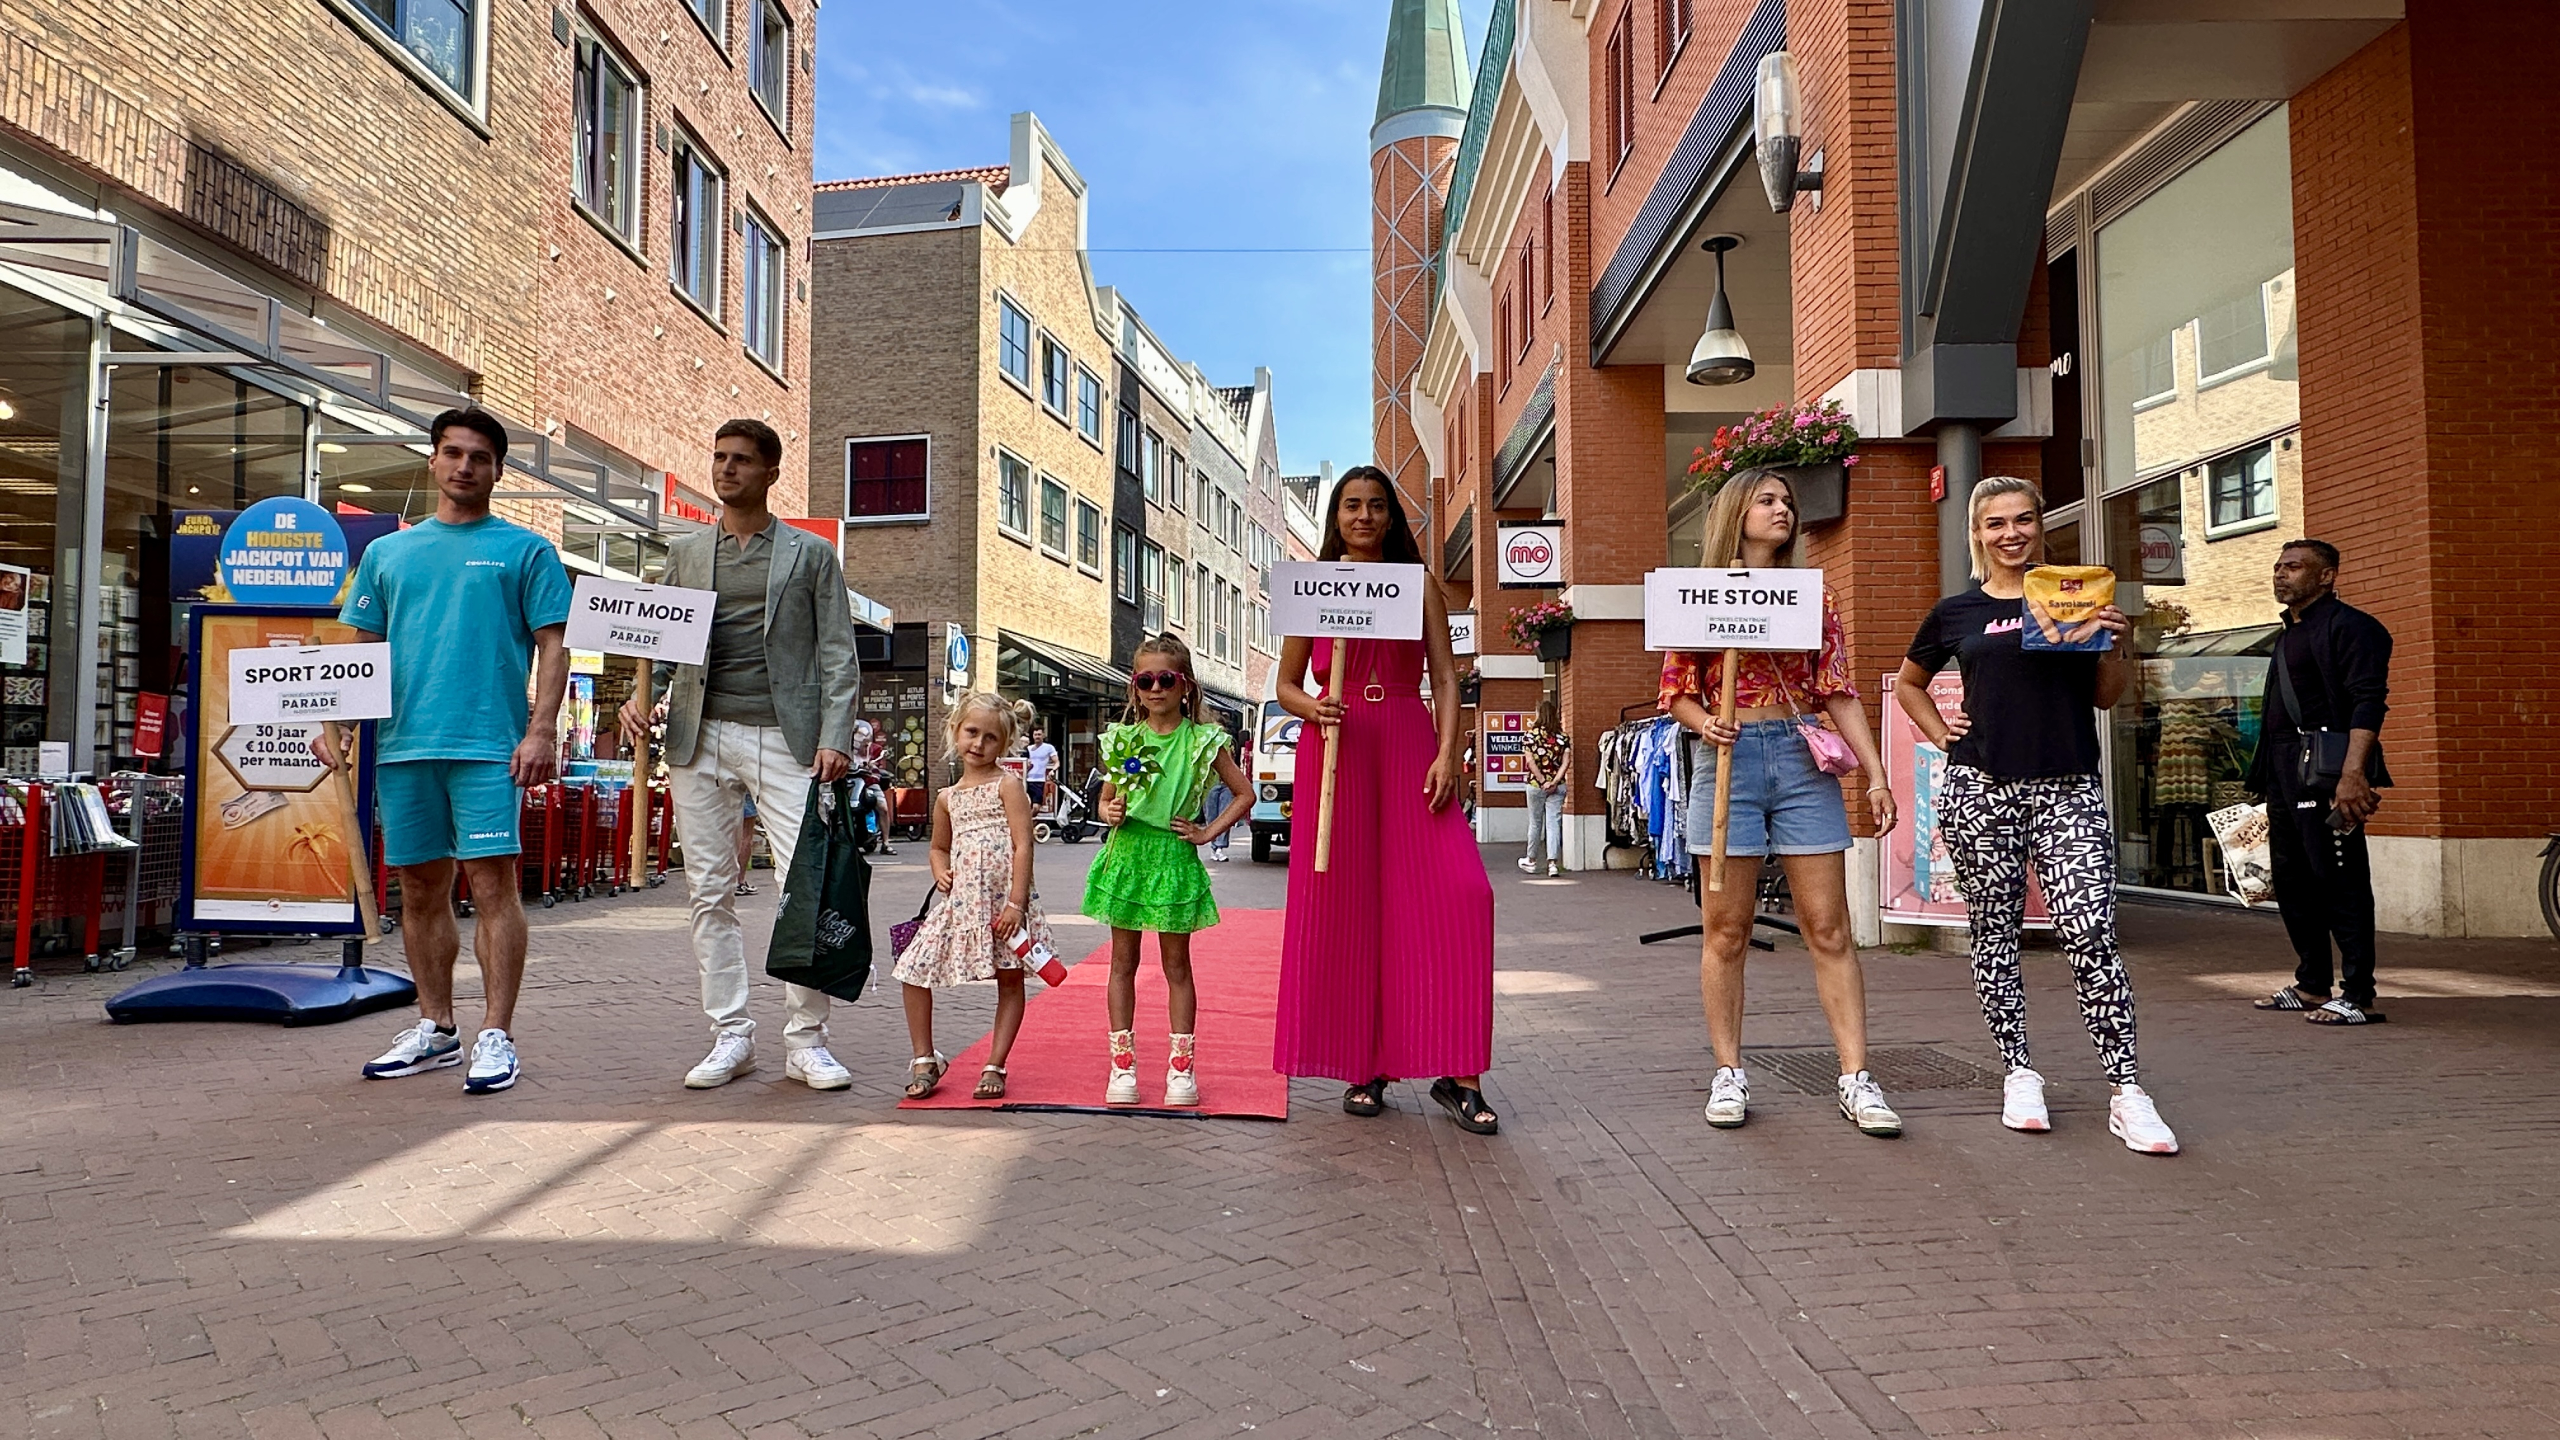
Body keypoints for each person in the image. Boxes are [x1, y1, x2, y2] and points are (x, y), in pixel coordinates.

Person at [1892, 475, 2179, 1155]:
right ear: (1978, 533)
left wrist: (2116, 643)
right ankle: (2018, 1071)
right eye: (1996, 524)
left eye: (2022, 520)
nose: (2011, 534)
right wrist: (1941, 729)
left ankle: (2127, 1088)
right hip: (1981, 787)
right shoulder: (1957, 611)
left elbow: (2107, 699)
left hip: (2068, 787)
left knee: (2090, 931)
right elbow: (1908, 682)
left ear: (2040, 526)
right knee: (1996, 936)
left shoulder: (2074, 596)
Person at [616, 419, 863, 1093]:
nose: (726, 470)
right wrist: (641, 698)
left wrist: (835, 736)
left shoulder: (810, 556)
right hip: (701, 735)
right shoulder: (689, 554)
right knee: (707, 892)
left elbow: (838, 654)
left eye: (742, 461)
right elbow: (664, 648)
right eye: (720, 458)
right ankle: (732, 1035)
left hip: (788, 740)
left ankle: (806, 1040)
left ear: (770, 473)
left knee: (802, 891)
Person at [1663, 469, 1904, 1136]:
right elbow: (1676, 687)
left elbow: (1836, 689)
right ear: (1736, 512)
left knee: (1828, 925)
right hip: (1727, 760)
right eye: (1767, 500)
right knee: (1727, 929)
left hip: (1800, 760)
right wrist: (1700, 721)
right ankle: (1729, 1072)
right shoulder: (1700, 593)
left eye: (1788, 502)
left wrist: (1877, 773)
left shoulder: (1810, 596)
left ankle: (1856, 1076)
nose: (1782, 510)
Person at [341, 406, 570, 1095]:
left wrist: (541, 729)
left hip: (488, 747)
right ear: (433, 460)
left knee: (495, 886)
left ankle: (495, 1034)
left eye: (479, 456)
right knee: (417, 889)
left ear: (498, 469)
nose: (465, 466)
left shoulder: (526, 550)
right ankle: (437, 1028)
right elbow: (361, 647)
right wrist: (344, 728)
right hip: (405, 746)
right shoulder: (386, 554)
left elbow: (555, 646)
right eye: (453, 453)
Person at [1272, 466, 1498, 1134]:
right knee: (1351, 904)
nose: (1363, 516)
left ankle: (1460, 1071)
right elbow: (1284, 684)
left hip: (1405, 739)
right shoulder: (1314, 587)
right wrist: (1315, 706)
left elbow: (1447, 677)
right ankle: (1363, 1064)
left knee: (1462, 893)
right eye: (1350, 505)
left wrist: (1449, 753)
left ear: (1391, 517)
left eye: (1375, 506)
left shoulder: (1419, 584)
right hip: (1336, 748)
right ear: (1336, 516)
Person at [1084, 635, 1253, 1106]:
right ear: (1134, 688)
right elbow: (1105, 801)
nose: (1155, 688)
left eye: (1165, 679)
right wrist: (1109, 812)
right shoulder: (1123, 740)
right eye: (1145, 680)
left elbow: (1244, 793)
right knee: (1123, 962)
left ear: (1186, 686)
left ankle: (1181, 1071)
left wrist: (1207, 831)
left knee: (1177, 965)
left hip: (1173, 857)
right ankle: (1123, 1068)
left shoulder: (1203, 741)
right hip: (1128, 857)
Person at [2247, 539, 2392, 1026]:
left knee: (2340, 880)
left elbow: (2368, 703)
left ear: (2326, 575)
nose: (2281, 575)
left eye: (2294, 567)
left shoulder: (2353, 628)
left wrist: (2353, 774)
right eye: (2278, 567)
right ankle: (2312, 984)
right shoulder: (2289, 633)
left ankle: (2359, 994)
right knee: (2292, 881)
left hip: (2327, 772)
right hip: (2284, 774)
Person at [893, 693, 1053, 1100]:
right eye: (972, 733)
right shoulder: (947, 798)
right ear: (955, 731)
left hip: (1004, 904)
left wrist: (1016, 904)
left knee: (1010, 978)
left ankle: (995, 1063)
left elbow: (1022, 845)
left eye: (991, 738)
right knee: (913, 968)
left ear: (1005, 744)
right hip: (961, 903)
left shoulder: (1008, 785)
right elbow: (937, 847)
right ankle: (924, 1058)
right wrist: (938, 870)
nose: (979, 744)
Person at [1517, 707, 1569, 877]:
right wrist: (1554, 782)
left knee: (1535, 822)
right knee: (1553, 823)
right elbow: (1565, 763)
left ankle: (1531, 860)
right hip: (1558, 785)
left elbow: (1530, 761)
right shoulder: (1563, 737)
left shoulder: (1530, 736)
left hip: (1535, 784)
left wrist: (1542, 781)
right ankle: (1552, 863)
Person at [1024, 727, 1059, 818]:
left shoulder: (1048, 748)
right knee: (1026, 806)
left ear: (1043, 735)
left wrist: (1053, 770)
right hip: (1026, 780)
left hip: (1039, 781)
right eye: (1035, 735)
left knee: (1036, 807)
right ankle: (1030, 826)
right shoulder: (1028, 749)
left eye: (1039, 734)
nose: (1037, 737)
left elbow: (1057, 762)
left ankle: (1027, 823)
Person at [733, 795, 759, 898]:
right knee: (746, 833)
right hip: (745, 787)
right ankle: (738, 882)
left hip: (718, 785)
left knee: (723, 832)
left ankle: (721, 881)